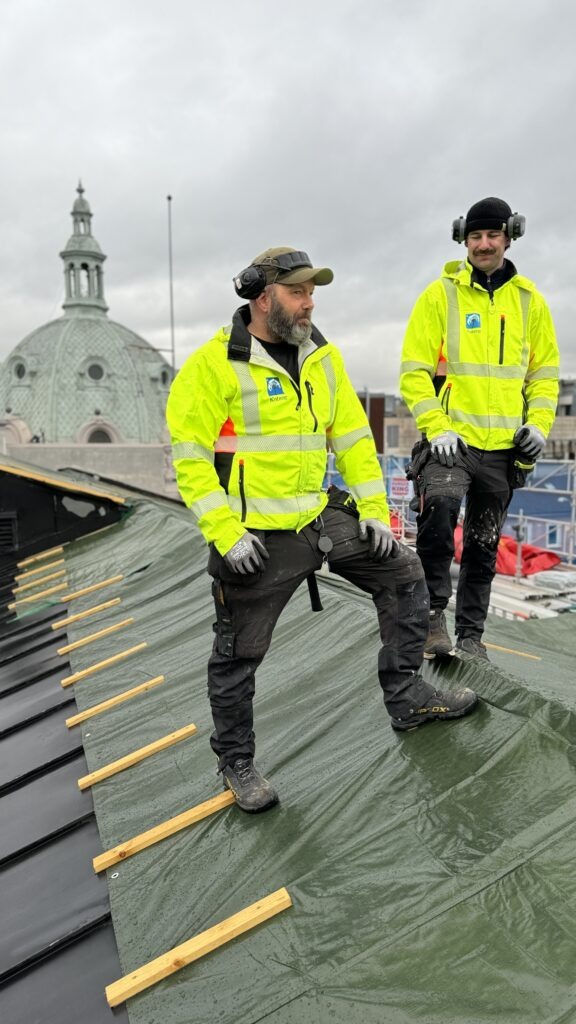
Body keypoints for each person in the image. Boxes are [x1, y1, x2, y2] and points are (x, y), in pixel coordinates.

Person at [167, 246, 477, 813]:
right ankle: (236, 761)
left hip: (317, 514)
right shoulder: (214, 365)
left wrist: (373, 511)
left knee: (405, 575)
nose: (309, 303)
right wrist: (224, 531)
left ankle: (407, 697)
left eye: (312, 292)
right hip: (256, 536)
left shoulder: (321, 357)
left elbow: (355, 438)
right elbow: (188, 458)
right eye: (298, 292)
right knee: (238, 654)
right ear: (263, 298)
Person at [400, 198, 559, 662]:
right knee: (440, 513)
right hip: (454, 442)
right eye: (475, 237)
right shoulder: (440, 296)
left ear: (509, 236)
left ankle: (470, 636)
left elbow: (544, 375)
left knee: (484, 543)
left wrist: (538, 424)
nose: (483, 245)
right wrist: (437, 426)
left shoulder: (529, 302)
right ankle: (433, 619)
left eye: (492, 236)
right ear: (463, 239)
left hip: (503, 447)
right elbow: (413, 372)